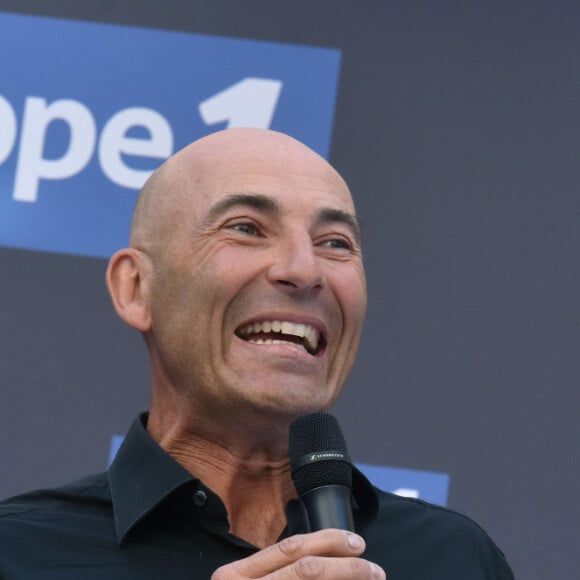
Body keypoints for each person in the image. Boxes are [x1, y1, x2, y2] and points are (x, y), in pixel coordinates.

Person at [0, 129, 514, 579]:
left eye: (335, 242)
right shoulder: (20, 554)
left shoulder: (457, 560)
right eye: (246, 228)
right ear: (137, 289)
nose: (304, 269)